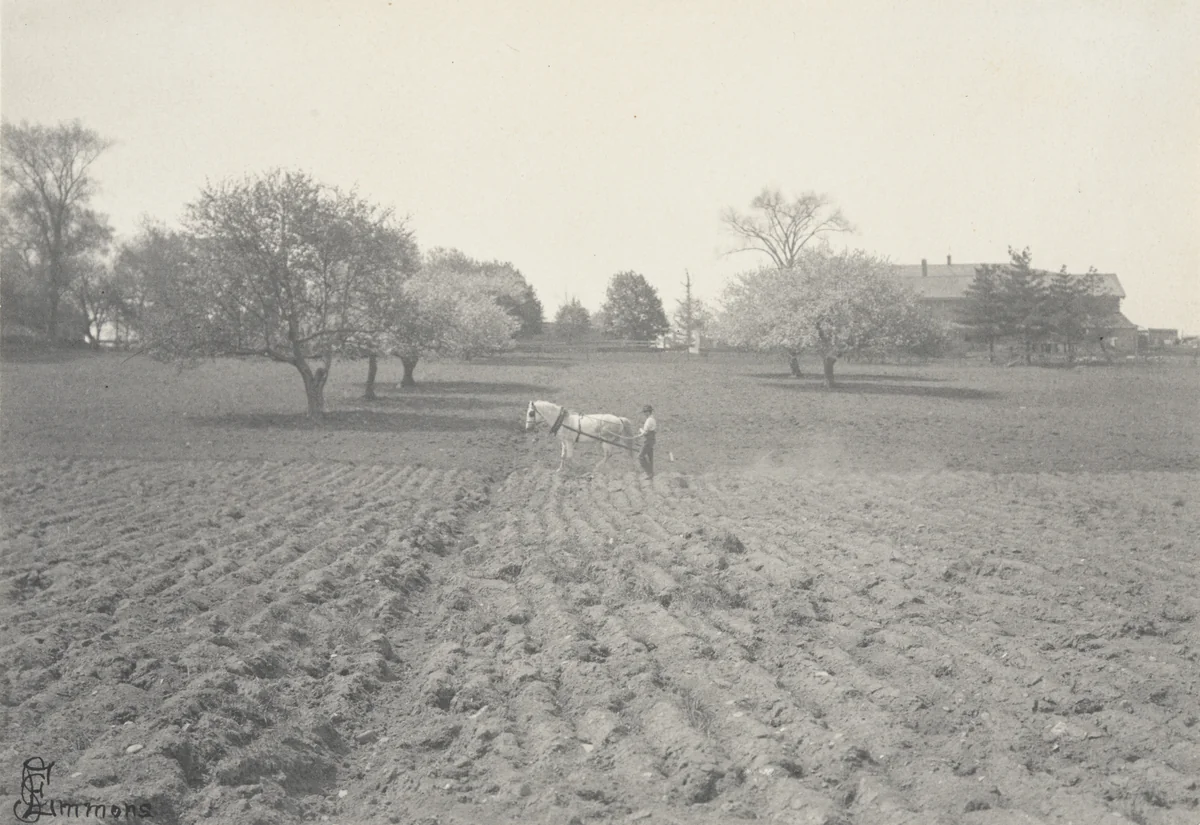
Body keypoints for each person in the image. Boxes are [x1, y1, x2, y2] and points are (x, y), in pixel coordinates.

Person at [637, 404, 656, 478]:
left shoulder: (649, 420)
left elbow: (645, 432)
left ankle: (649, 473)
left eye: (645, 412)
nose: (644, 413)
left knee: (640, 457)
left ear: (648, 412)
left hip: (648, 440)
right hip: (651, 440)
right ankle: (651, 473)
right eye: (644, 412)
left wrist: (640, 431)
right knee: (650, 457)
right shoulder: (652, 419)